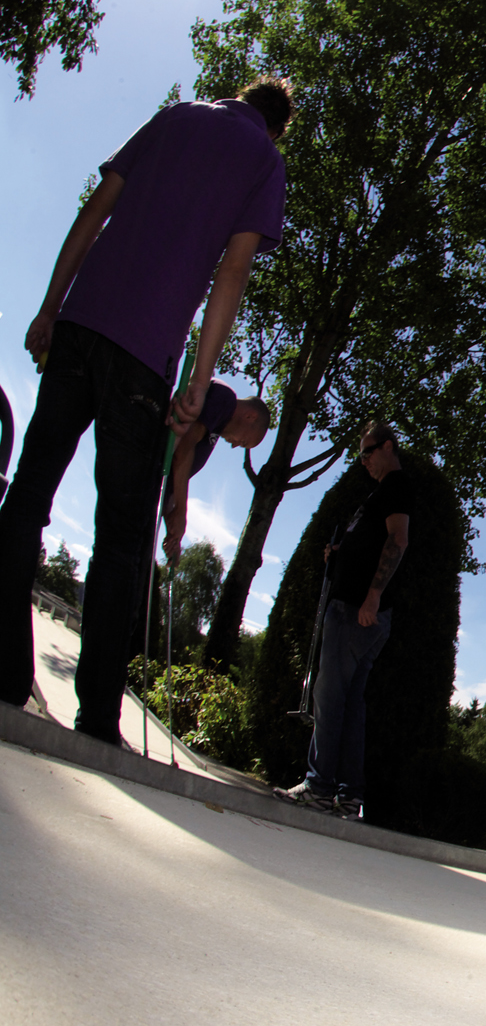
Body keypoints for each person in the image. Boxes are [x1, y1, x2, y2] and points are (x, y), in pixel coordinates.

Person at [0, 78, 292, 744]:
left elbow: (95, 209)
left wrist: (51, 304)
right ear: (277, 128)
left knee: (27, 498)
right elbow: (233, 272)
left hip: (78, 325)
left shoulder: (176, 115)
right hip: (142, 356)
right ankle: (98, 716)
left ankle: (3, 674)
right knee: (121, 541)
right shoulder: (264, 163)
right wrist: (202, 375)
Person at [274, 422, 411, 820]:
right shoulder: (383, 491)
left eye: (367, 452)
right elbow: (374, 541)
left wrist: (372, 595)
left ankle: (319, 787)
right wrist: (342, 551)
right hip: (363, 613)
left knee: (329, 698)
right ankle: (349, 796)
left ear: (387, 447)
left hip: (357, 612)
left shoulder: (396, 486)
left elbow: (397, 540)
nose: (363, 461)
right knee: (350, 705)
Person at [161, 380, 274, 563]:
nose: (235, 445)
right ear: (251, 416)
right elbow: (182, 448)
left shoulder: (214, 429)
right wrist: (181, 511)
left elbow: (172, 484)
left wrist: (173, 533)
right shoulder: (225, 398)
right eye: (243, 442)